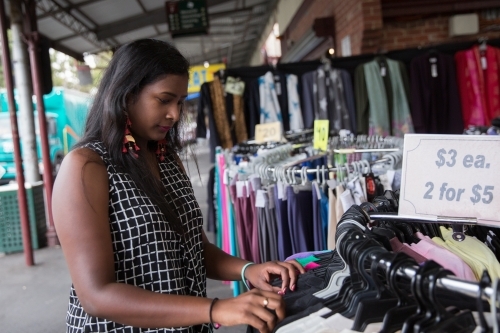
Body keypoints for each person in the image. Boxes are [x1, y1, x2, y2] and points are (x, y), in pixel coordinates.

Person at [52, 38, 305, 333]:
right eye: (164, 99)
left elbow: (196, 249)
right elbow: (97, 296)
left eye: (180, 102)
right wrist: (216, 308)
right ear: (126, 94)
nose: (174, 114)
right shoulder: (86, 167)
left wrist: (248, 269)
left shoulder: (165, 158)